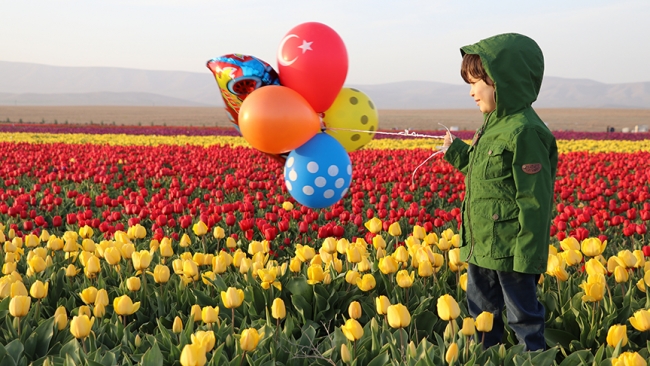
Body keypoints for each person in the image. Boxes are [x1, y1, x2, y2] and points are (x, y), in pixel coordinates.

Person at [441, 33, 558, 351]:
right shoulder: (491, 125)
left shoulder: (526, 132)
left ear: (500, 81)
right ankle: (488, 359)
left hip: (511, 251)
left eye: (475, 82)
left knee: (524, 320)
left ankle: (537, 358)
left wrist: (527, 257)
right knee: (481, 318)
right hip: (481, 246)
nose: (471, 92)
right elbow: (485, 176)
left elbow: (534, 201)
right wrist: (455, 152)